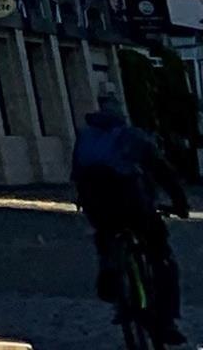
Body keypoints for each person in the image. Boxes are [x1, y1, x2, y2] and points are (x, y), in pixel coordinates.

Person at [73, 97, 188, 343]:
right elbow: (163, 171)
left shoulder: (85, 137)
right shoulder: (133, 137)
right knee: (161, 255)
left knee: (105, 235)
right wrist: (180, 203)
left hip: (97, 206)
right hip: (133, 205)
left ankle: (110, 270)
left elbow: (77, 175)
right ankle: (166, 321)